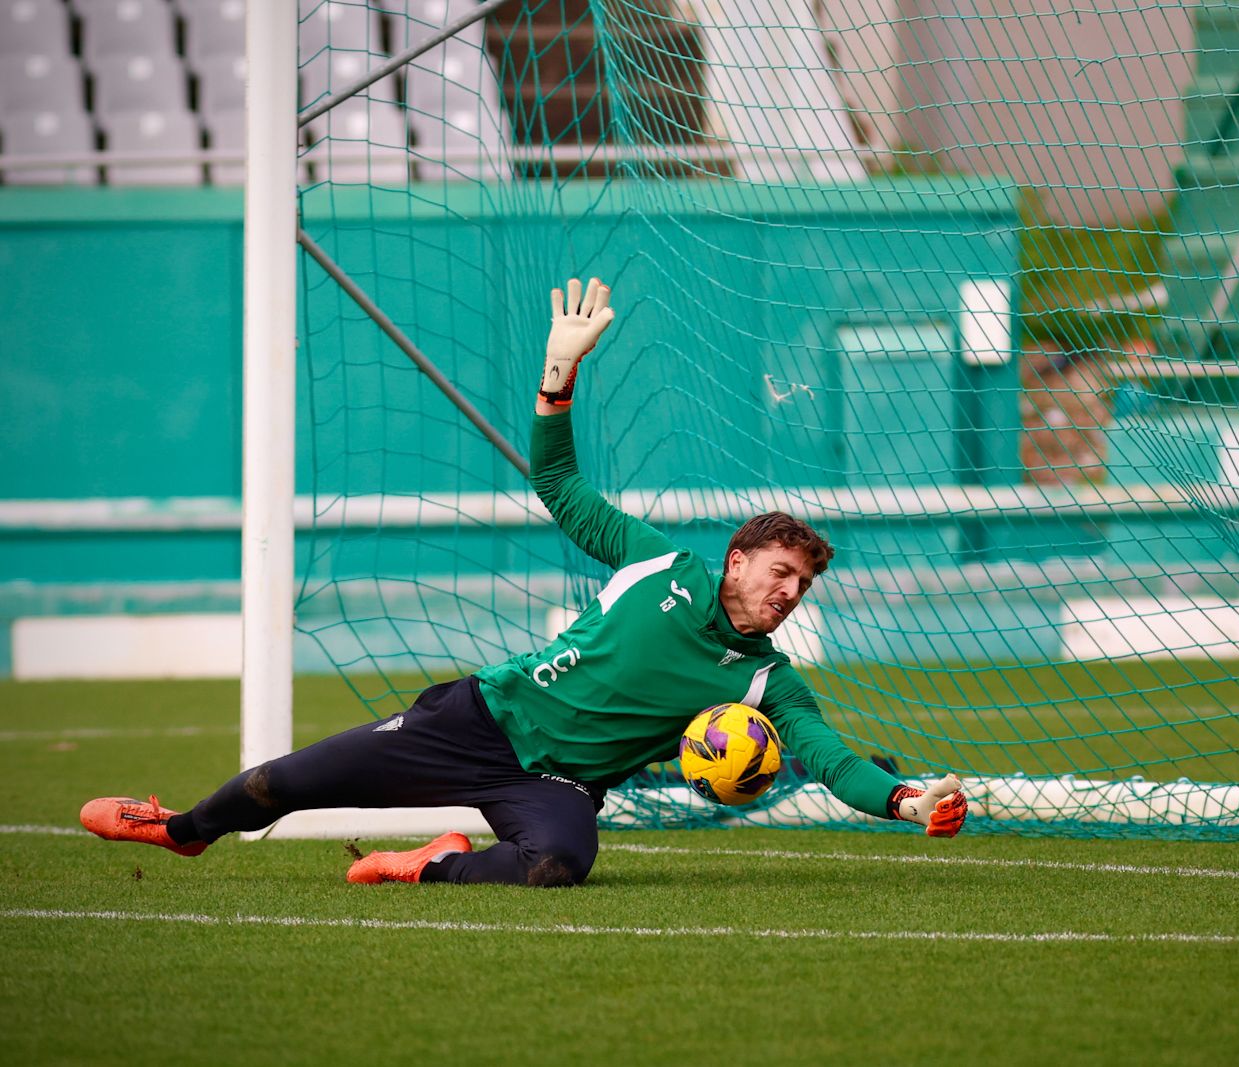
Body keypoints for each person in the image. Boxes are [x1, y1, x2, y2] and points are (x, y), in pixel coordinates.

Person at [79, 277, 969, 887]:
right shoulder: (658, 561)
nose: (788, 593)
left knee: (556, 867)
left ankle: (427, 864)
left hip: (561, 786)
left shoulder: (768, 681)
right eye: (781, 571)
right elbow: (559, 486)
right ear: (737, 559)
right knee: (282, 785)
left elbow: (830, 759)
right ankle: (180, 828)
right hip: (480, 719)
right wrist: (559, 371)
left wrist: (904, 797)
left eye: (802, 586)